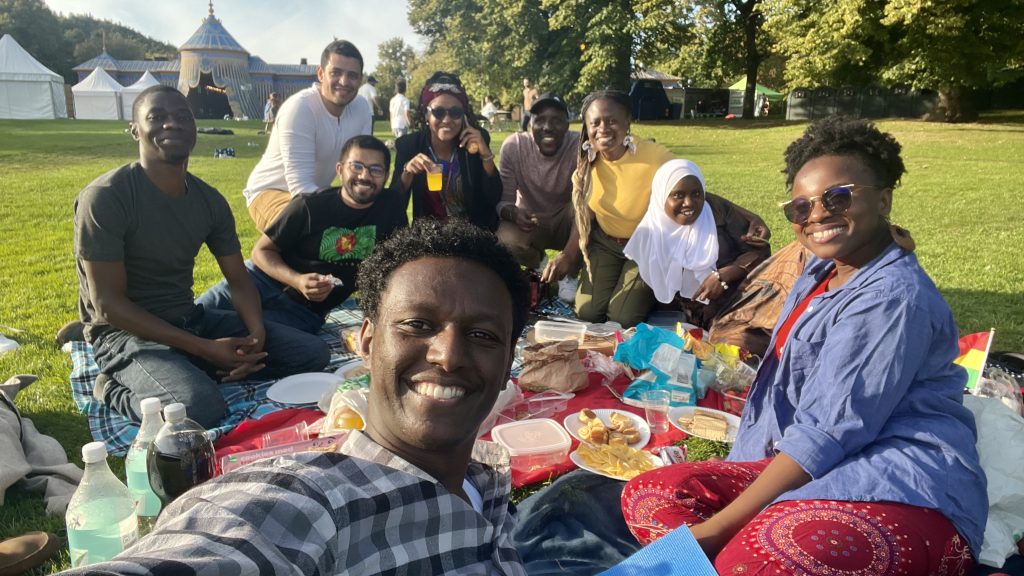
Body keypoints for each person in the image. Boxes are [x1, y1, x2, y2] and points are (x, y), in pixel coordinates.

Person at [58, 218, 532, 576]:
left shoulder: (486, 486)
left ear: (511, 355)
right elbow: (219, 544)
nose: (448, 356)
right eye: (418, 325)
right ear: (365, 342)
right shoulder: (304, 501)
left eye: (483, 335)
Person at [620, 117, 987, 575]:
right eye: (800, 207)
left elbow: (829, 432)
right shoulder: (819, 272)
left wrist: (716, 528)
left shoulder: (892, 298)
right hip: (810, 470)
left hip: (900, 485)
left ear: (884, 199)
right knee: (649, 495)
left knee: (747, 560)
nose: (816, 214)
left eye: (838, 197)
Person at [74, 85, 330, 428]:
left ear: (194, 128)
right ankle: (112, 388)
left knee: (312, 353)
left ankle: (196, 365)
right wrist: (205, 349)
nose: (172, 124)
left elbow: (239, 282)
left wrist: (256, 338)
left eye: (182, 117)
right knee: (199, 408)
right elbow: (107, 305)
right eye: (157, 117)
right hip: (125, 335)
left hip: (189, 320)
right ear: (135, 129)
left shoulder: (209, 201)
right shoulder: (106, 198)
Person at [542, 90, 769, 328]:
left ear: (627, 121)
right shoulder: (586, 161)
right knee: (587, 312)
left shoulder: (654, 157)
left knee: (623, 317)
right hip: (605, 244)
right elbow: (584, 215)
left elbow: (690, 187)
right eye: (595, 123)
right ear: (586, 127)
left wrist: (750, 217)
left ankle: (653, 296)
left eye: (612, 121)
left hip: (647, 243)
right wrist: (568, 255)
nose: (603, 129)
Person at [196, 135, 407, 334]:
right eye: (357, 166)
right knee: (192, 317)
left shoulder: (391, 207)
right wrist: (297, 280)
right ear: (340, 170)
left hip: (304, 311)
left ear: (386, 176)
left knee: (262, 340)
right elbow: (261, 251)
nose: (365, 176)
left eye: (376, 169)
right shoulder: (309, 206)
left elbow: (398, 264)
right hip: (260, 282)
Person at [243, 40, 372, 231]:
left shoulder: (361, 108)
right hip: (270, 191)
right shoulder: (300, 108)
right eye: (335, 73)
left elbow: (361, 167)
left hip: (315, 195)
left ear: (360, 80)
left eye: (352, 76)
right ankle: (259, 260)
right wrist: (343, 211)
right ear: (321, 74)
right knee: (305, 231)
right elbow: (300, 187)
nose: (344, 82)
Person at [624, 159, 770, 328]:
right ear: (661, 196)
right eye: (678, 195)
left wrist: (725, 274)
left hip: (732, 305)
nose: (689, 203)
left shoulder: (717, 212)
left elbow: (760, 252)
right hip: (679, 317)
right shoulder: (650, 231)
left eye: (697, 194)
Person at [391, 71, 502, 232]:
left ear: (463, 115)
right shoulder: (410, 145)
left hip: (473, 234)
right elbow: (393, 205)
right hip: (428, 237)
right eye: (438, 112)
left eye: (455, 112)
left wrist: (486, 155)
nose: (447, 119)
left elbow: (493, 197)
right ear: (426, 114)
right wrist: (407, 173)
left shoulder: (475, 141)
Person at [496, 93, 578, 273]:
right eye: (540, 120)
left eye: (556, 120)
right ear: (530, 124)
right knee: (504, 239)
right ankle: (540, 263)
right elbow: (504, 201)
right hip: (530, 219)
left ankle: (571, 269)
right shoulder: (514, 146)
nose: (548, 127)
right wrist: (514, 213)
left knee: (588, 212)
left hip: (568, 219)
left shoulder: (580, 146)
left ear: (567, 125)